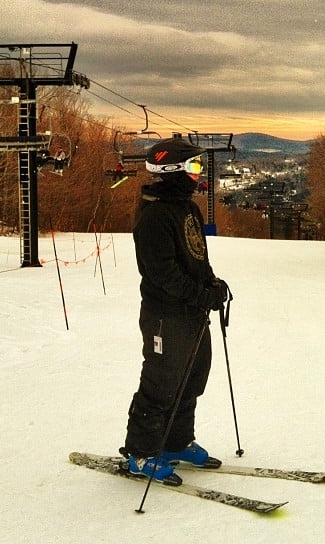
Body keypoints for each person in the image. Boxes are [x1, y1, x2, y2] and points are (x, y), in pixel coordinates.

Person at [121, 137, 229, 484]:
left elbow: (197, 257)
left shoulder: (187, 207)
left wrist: (212, 284)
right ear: (172, 171)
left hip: (193, 314)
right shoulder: (154, 215)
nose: (199, 173)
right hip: (165, 316)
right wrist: (200, 295)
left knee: (193, 379)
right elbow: (162, 273)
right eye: (194, 166)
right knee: (161, 382)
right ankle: (141, 452)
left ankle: (175, 443)